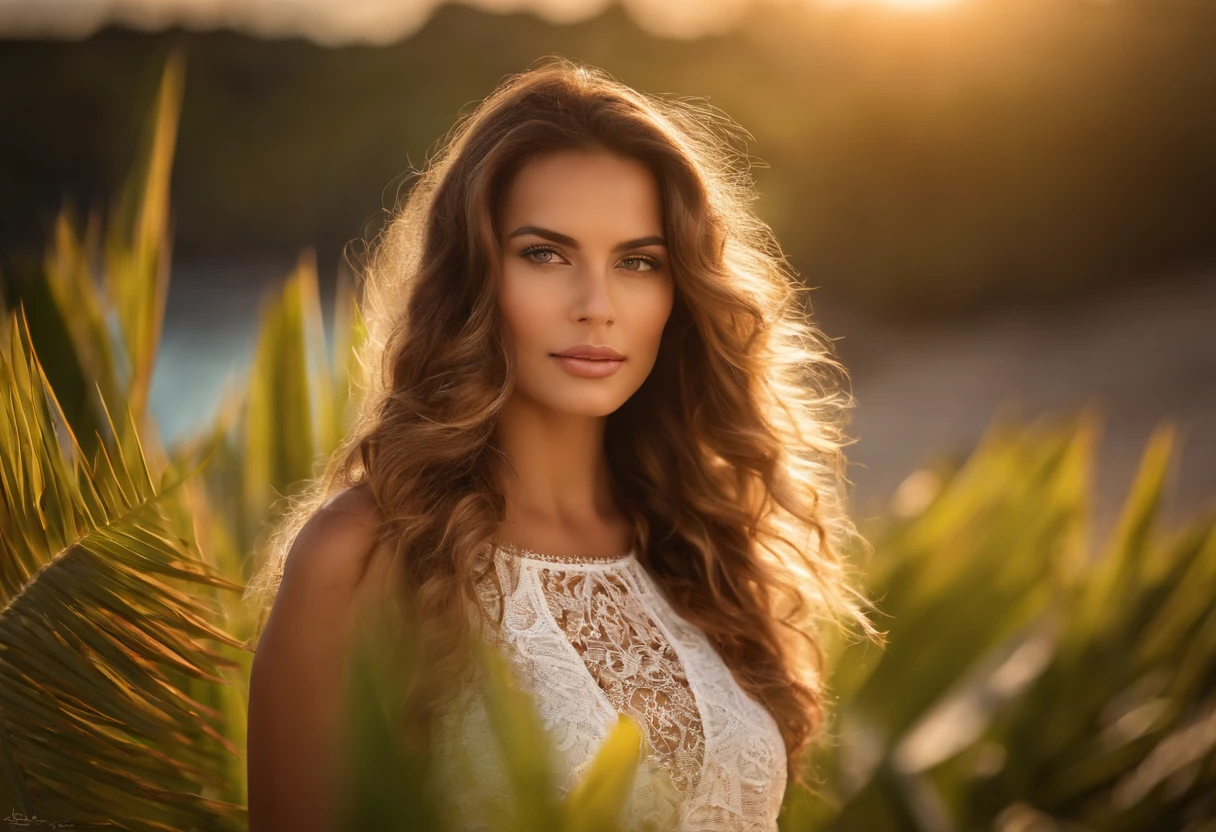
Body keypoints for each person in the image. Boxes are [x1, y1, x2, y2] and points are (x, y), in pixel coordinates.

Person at [245, 55, 880, 832]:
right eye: (546, 254)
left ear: (678, 293)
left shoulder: (698, 543)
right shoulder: (365, 553)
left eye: (638, 262)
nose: (597, 306)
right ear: (472, 277)